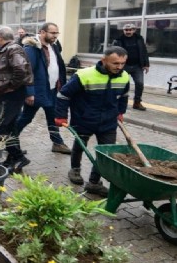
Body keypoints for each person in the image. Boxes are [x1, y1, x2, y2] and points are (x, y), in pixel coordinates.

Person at [55, 46, 130, 197]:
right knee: (79, 146)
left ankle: (94, 183)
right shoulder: (84, 75)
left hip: (108, 121)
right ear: (104, 60)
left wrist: (120, 112)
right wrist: (61, 116)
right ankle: (75, 169)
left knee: (105, 153)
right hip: (84, 118)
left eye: (123, 63)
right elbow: (63, 94)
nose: (119, 67)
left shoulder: (124, 76)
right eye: (115, 63)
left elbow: (124, 96)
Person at [16, 22, 71, 154]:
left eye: (57, 33)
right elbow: (27, 72)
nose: (55, 36)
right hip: (37, 91)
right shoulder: (32, 48)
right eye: (52, 33)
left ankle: (57, 143)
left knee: (53, 116)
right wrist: (29, 93)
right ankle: (8, 140)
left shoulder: (53, 46)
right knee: (26, 117)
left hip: (52, 90)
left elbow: (58, 66)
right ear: (42, 32)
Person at [0, 26, 33, 173]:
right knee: (10, 128)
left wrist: (11, 87)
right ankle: (13, 158)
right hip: (8, 95)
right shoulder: (8, 49)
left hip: (11, 96)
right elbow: (7, 69)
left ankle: (19, 157)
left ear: (0, 38)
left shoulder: (13, 49)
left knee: (0, 128)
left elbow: (20, 70)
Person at [112, 24, 149, 111]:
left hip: (137, 66)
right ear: (123, 30)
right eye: (126, 30)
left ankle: (137, 102)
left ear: (134, 30)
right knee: (121, 84)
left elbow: (144, 51)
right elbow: (113, 53)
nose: (128, 31)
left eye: (130, 30)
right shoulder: (118, 40)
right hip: (123, 66)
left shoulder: (139, 39)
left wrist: (146, 64)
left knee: (140, 83)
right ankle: (116, 101)